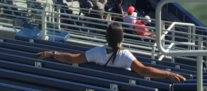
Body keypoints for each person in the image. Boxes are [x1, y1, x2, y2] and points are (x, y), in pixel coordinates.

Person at [37, 22, 186, 82]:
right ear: (122, 38)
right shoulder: (125, 55)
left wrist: (52, 53)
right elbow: (144, 71)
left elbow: (72, 58)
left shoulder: (97, 52)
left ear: (106, 38)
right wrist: (168, 73)